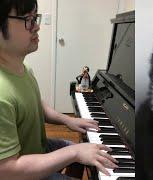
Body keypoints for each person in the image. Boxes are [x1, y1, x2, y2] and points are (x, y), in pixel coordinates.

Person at [0, 0, 118, 179]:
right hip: (20, 170)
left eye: (35, 18)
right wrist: (75, 152)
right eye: (28, 19)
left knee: (82, 152)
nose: (37, 27)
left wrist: (66, 120)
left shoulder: (24, 68)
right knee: (77, 152)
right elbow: (8, 170)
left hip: (38, 149)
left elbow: (34, 103)